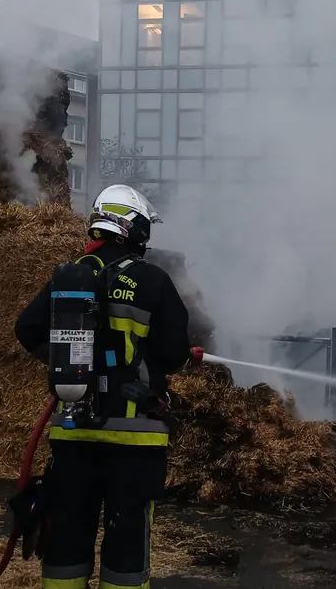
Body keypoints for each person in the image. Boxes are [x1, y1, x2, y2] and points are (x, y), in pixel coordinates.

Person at [15, 184, 201, 589]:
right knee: (127, 546)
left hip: (74, 431)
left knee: (66, 542)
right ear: (136, 231)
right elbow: (172, 353)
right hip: (135, 441)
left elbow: (26, 329)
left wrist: (72, 368)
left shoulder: (70, 277)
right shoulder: (153, 281)